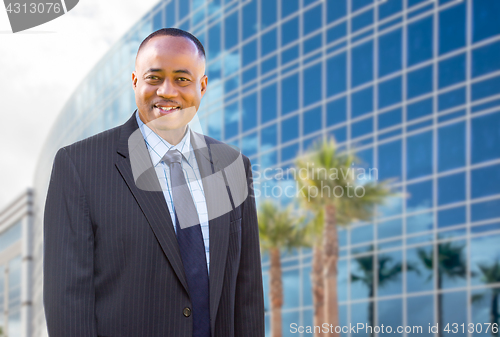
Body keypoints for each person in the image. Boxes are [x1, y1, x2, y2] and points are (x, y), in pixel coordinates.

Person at [43, 28, 265, 337]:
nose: (167, 91)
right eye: (154, 77)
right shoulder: (78, 166)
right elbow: (67, 300)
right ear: (135, 81)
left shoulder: (232, 166)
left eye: (182, 79)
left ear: (202, 86)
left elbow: (247, 292)